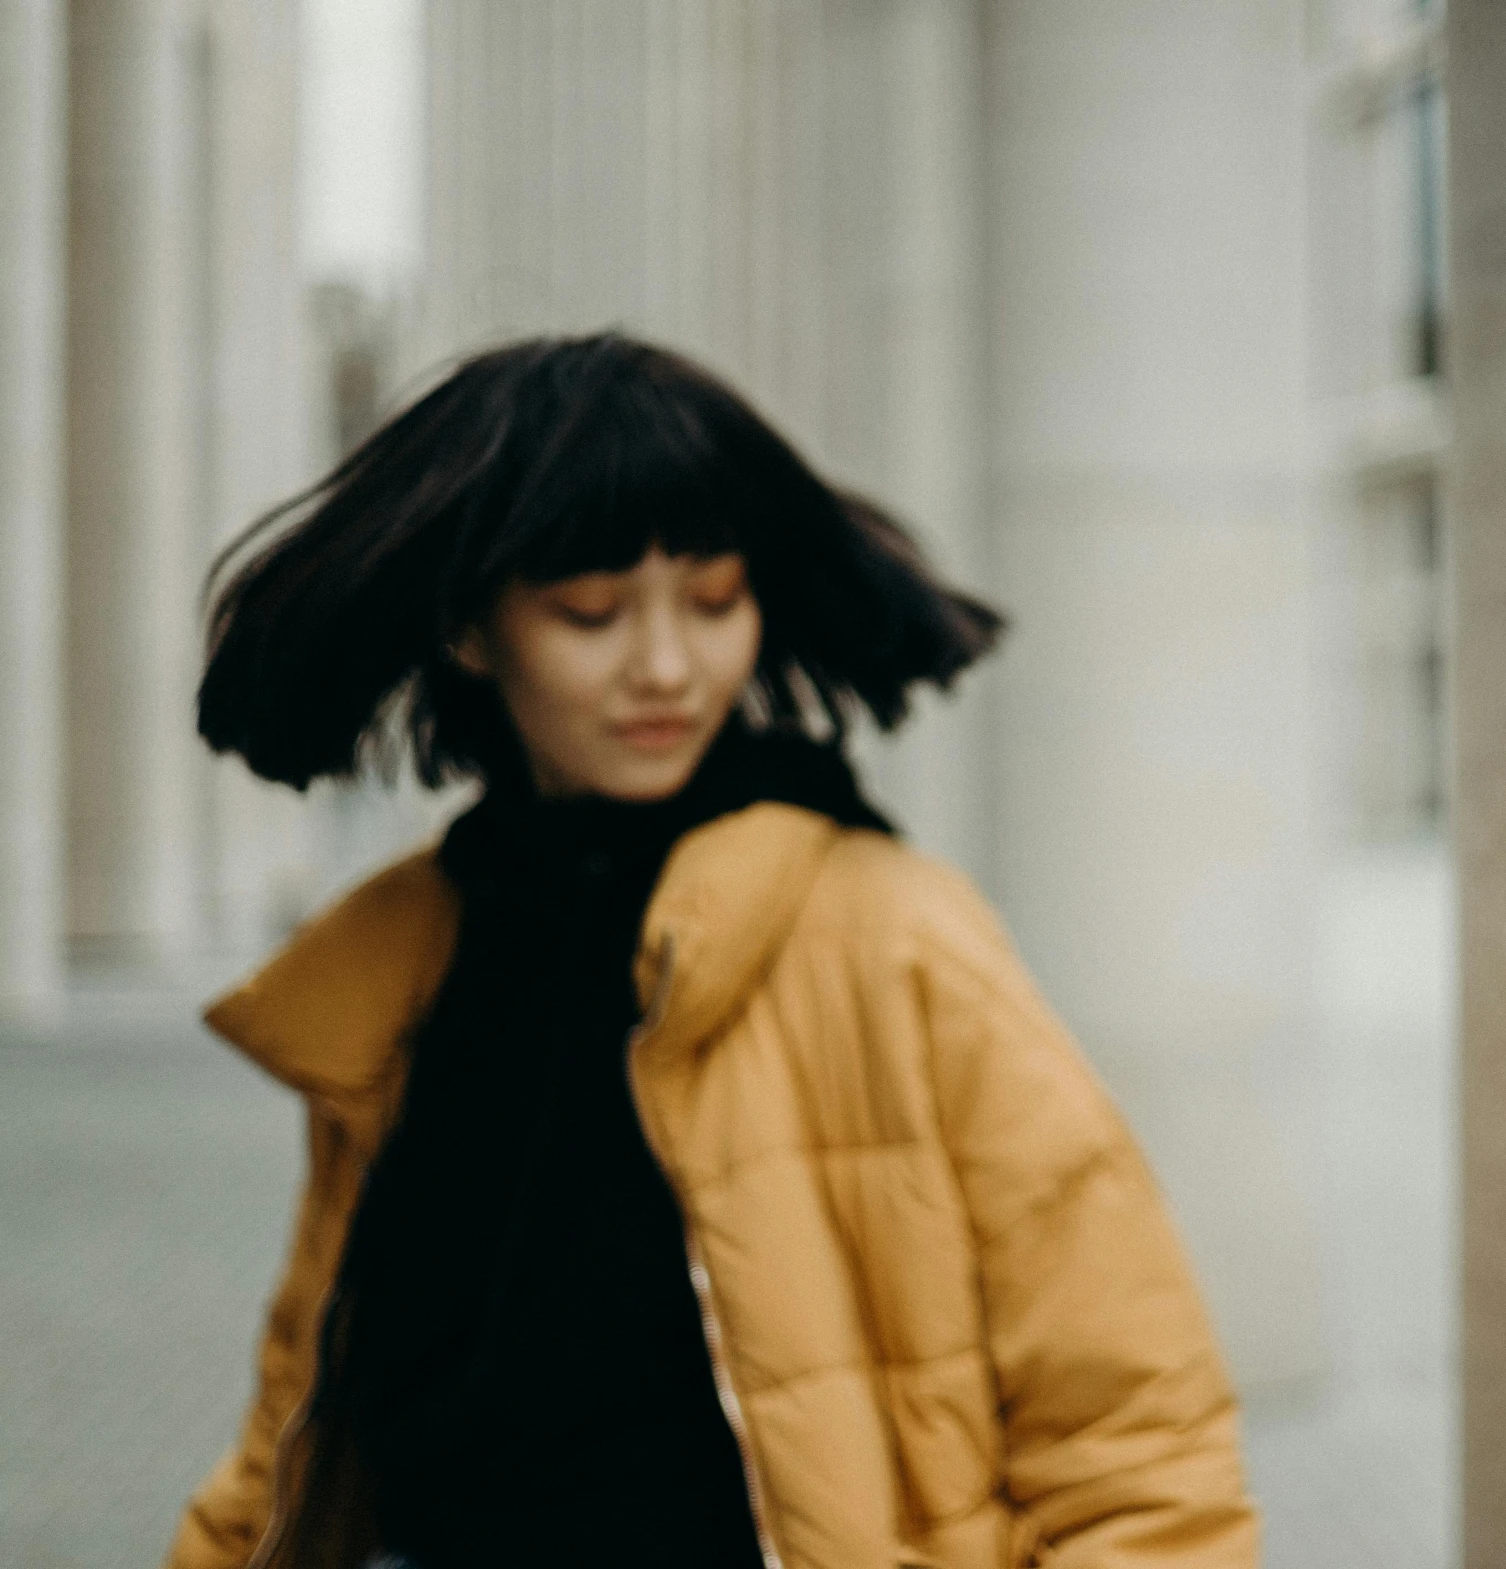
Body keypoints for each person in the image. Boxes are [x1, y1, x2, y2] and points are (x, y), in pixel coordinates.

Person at [165, 334, 1258, 1569]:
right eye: (590, 611)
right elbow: (299, 1419)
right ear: (473, 632)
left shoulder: (896, 938)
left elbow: (1136, 1446)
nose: (669, 667)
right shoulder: (407, 961)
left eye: (715, 598)